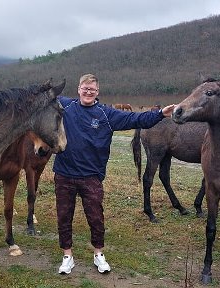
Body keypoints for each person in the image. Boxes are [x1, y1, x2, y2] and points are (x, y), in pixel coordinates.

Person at [53, 73, 175, 275]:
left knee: (96, 217)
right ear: (78, 89)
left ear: (97, 92)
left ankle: (98, 254)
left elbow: (137, 118)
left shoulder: (107, 114)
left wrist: (161, 113)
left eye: (92, 89)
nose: (88, 92)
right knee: (64, 217)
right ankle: (67, 256)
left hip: (91, 176)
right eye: (85, 88)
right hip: (64, 174)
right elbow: (42, 101)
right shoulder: (65, 106)